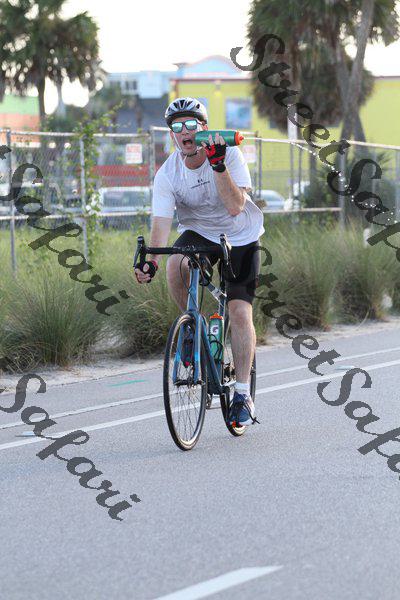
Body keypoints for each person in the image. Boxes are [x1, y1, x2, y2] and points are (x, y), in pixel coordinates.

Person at [134, 97, 264, 426]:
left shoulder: (228, 154)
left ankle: (243, 394)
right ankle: (194, 327)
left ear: (203, 129)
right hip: (200, 233)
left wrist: (218, 165)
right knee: (175, 263)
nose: (184, 131)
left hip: (241, 234)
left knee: (239, 311)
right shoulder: (168, 174)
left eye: (191, 124)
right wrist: (150, 261)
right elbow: (161, 225)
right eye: (177, 127)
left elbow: (235, 207)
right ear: (172, 136)